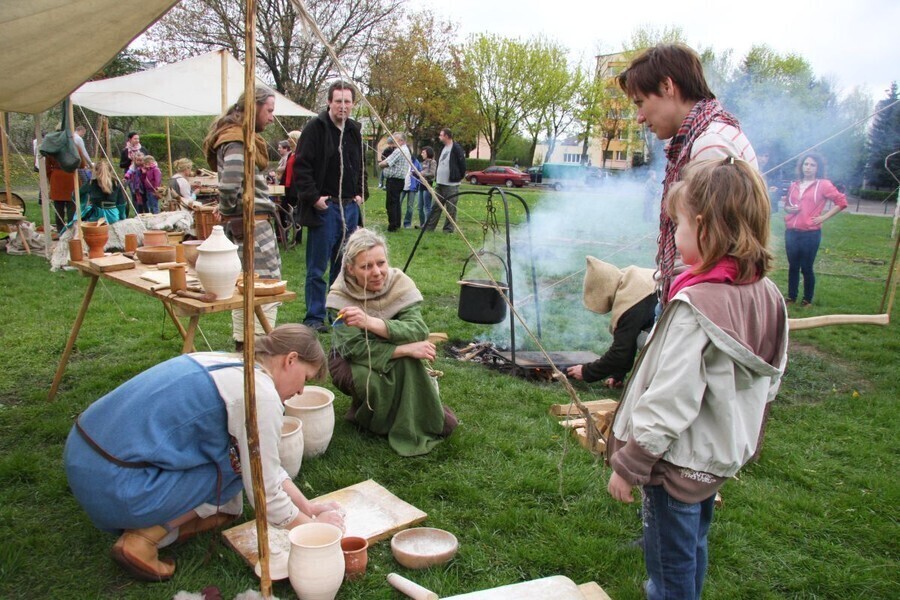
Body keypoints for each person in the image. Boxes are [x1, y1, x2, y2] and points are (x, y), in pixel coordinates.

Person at [606, 158, 788, 600]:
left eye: (679, 226)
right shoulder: (767, 294)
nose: (675, 235)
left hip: (672, 464)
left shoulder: (696, 308)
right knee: (693, 547)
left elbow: (672, 398)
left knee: (668, 572)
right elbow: (771, 378)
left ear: (704, 227)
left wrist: (630, 464)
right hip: (713, 456)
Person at [64, 324, 345, 582]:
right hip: (113, 485)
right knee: (234, 467)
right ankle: (144, 539)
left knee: (233, 480)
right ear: (290, 359)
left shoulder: (227, 360)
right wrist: (313, 531)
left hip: (84, 456)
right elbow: (265, 493)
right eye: (305, 378)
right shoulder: (260, 393)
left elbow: (265, 463)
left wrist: (307, 507)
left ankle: (161, 526)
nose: (300, 391)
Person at [617, 44, 757, 303]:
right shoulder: (702, 136)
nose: (639, 117)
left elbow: (712, 247)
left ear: (667, 87)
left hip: (703, 300)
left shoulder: (710, 145)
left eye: (640, 102)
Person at [327, 228, 457, 456]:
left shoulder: (399, 283)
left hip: (386, 349)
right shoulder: (340, 296)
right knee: (376, 379)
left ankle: (407, 418)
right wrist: (404, 348)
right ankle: (372, 418)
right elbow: (355, 349)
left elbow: (417, 329)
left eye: (381, 263)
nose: (377, 272)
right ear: (350, 268)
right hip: (349, 358)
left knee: (409, 368)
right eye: (366, 267)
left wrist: (371, 323)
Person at [203, 86, 281, 350]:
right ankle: (255, 352)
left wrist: (227, 208)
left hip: (251, 223)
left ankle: (243, 349)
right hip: (254, 227)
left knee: (247, 286)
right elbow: (229, 184)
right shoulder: (236, 139)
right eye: (269, 110)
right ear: (253, 107)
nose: (271, 117)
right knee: (264, 287)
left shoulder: (237, 137)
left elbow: (232, 185)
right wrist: (226, 209)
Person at [294, 80, 367, 333]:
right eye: (338, 101)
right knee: (318, 267)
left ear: (353, 104)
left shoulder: (354, 130)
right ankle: (314, 317)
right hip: (326, 208)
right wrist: (315, 198)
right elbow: (301, 167)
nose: (343, 107)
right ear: (329, 102)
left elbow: (361, 166)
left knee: (343, 266)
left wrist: (361, 193)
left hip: (350, 207)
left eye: (348, 102)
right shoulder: (315, 128)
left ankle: (338, 314)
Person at [565, 257, 657, 388]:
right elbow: (628, 341)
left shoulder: (632, 303)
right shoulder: (632, 279)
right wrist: (618, 375)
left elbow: (620, 353)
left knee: (646, 340)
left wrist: (586, 372)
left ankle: (657, 382)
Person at [782, 152, 847, 306]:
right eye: (806, 164)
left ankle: (807, 299)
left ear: (818, 167)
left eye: (812, 165)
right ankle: (791, 296)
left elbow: (842, 202)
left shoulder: (823, 184)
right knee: (793, 266)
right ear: (801, 166)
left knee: (806, 267)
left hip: (810, 233)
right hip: (791, 232)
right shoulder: (794, 185)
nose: (808, 168)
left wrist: (823, 218)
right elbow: (786, 205)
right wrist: (790, 209)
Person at [423, 128, 466, 233]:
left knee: (451, 208)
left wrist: (458, 176)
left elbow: (462, 164)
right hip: (440, 183)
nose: (439, 137)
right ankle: (429, 228)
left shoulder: (456, 148)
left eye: (441, 135)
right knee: (436, 206)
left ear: (446, 136)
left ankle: (448, 229)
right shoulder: (443, 148)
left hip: (451, 184)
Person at [68, 158, 128, 228]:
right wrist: (122, 217)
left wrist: (84, 202)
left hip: (97, 216)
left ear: (96, 171)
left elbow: (76, 195)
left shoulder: (91, 183)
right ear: (110, 171)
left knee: (83, 218)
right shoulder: (116, 182)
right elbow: (121, 203)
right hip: (113, 216)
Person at [378, 132, 411, 232]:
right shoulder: (406, 150)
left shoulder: (399, 150)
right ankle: (396, 224)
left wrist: (381, 164)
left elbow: (386, 163)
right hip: (399, 181)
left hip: (394, 180)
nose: (393, 142)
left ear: (401, 141)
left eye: (395, 140)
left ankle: (392, 226)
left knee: (391, 204)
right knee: (396, 203)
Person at [280, 130, 302, 245]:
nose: (288, 140)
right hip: (287, 187)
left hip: (295, 188)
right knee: (283, 210)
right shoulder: (290, 154)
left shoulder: (300, 153)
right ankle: (283, 236)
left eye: (290, 138)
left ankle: (297, 239)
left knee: (296, 213)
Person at [46, 154, 76, 231]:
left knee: (58, 209)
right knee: (72, 209)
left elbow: (47, 168)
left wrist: (52, 178)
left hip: (57, 179)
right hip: (71, 178)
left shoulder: (51, 149)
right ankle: (71, 231)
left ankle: (60, 231)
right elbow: (82, 164)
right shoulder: (73, 146)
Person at [415, 146, 436, 228]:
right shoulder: (423, 162)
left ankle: (428, 225)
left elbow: (432, 174)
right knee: (420, 207)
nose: (422, 154)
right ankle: (422, 224)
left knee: (427, 206)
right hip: (421, 185)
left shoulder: (433, 162)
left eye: (423, 152)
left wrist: (422, 174)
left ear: (428, 153)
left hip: (428, 185)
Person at [401, 152, 422, 229]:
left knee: (410, 207)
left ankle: (407, 223)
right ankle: (396, 221)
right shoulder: (402, 160)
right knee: (397, 204)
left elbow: (420, 172)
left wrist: (415, 175)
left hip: (412, 187)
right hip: (402, 186)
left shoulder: (415, 162)